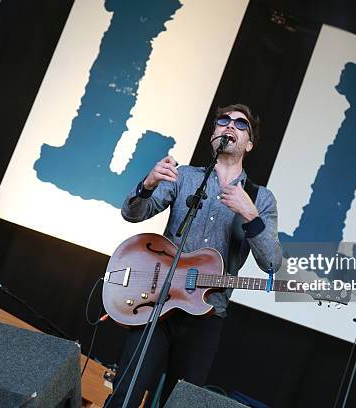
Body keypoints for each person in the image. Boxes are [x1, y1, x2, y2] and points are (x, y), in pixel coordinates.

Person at [107, 104, 282, 407]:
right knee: (126, 391)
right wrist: (147, 185)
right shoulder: (185, 176)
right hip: (157, 301)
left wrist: (251, 215)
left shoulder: (260, 198)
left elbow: (271, 263)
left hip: (207, 314)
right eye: (223, 122)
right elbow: (132, 214)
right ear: (214, 134)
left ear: (249, 144)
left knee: (180, 403)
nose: (230, 127)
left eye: (240, 125)